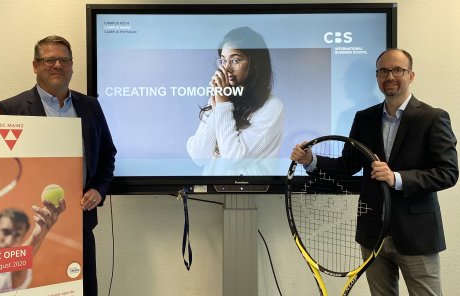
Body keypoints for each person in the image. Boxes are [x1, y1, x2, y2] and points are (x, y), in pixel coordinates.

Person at [291, 48, 458, 295]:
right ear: (377, 76)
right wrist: (311, 159)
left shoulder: (433, 118)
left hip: (417, 234)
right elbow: (348, 166)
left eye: (397, 70)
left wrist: (396, 178)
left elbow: (448, 172)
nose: (390, 76)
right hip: (372, 232)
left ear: (411, 75)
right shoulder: (364, 118)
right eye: (383, 71)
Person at [0, 35, 117, 296]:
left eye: (64, 60)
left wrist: (98, 189)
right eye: (49, 60)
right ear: (35, 65)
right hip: (32, 226)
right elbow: (1, 168)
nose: (57, 66)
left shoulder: (91, 106)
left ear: (72, 65)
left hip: (80, 227)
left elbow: (108, 155)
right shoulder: (11, 108)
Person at [186, 27, 284, 175]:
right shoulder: (222, 98)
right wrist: (216, 107)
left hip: (250, 195)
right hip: (211, 193)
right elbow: (199, 157)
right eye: (223, 61)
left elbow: (232, 159)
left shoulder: (273, 106)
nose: (226, 69)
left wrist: (223, 105)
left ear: (254, 63)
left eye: (235, 60)